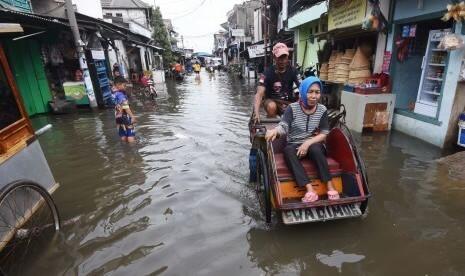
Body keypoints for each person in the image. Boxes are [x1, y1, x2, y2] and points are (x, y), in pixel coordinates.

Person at [265, 76, 339, 203]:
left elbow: (324, 133)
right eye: (310, 92)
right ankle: (310, 190)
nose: (314, 96)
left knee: (316, 149)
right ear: (303, 92)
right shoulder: (292, 108)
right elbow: (284, 126)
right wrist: (275, 131)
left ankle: (330, 187)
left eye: (317, 92)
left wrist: (307, 143)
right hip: (294, 144)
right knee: (288, 151)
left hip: (314, 143)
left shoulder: (322, 110)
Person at [253, 43, 301, 123]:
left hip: (287, 102)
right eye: (279, 58)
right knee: (272, 107)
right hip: (271, 101)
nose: (282, 61)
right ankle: (272, 126)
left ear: (287, 57)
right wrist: (256, 112)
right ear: (274, 57)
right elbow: (259, 94)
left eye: (284, 57)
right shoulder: (267, 73)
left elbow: (303, 88)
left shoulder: (293, 71)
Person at [113, 77, 136, 143]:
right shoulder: (121, 95)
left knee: (122, 134)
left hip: (118, 117)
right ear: (118, 85)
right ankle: (131, 150)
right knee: (130, 134)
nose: (125, 87)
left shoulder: (115, 93)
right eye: (124, 85)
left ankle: (125, 149)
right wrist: (132, 116)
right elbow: (126, 107)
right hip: (125, 116)